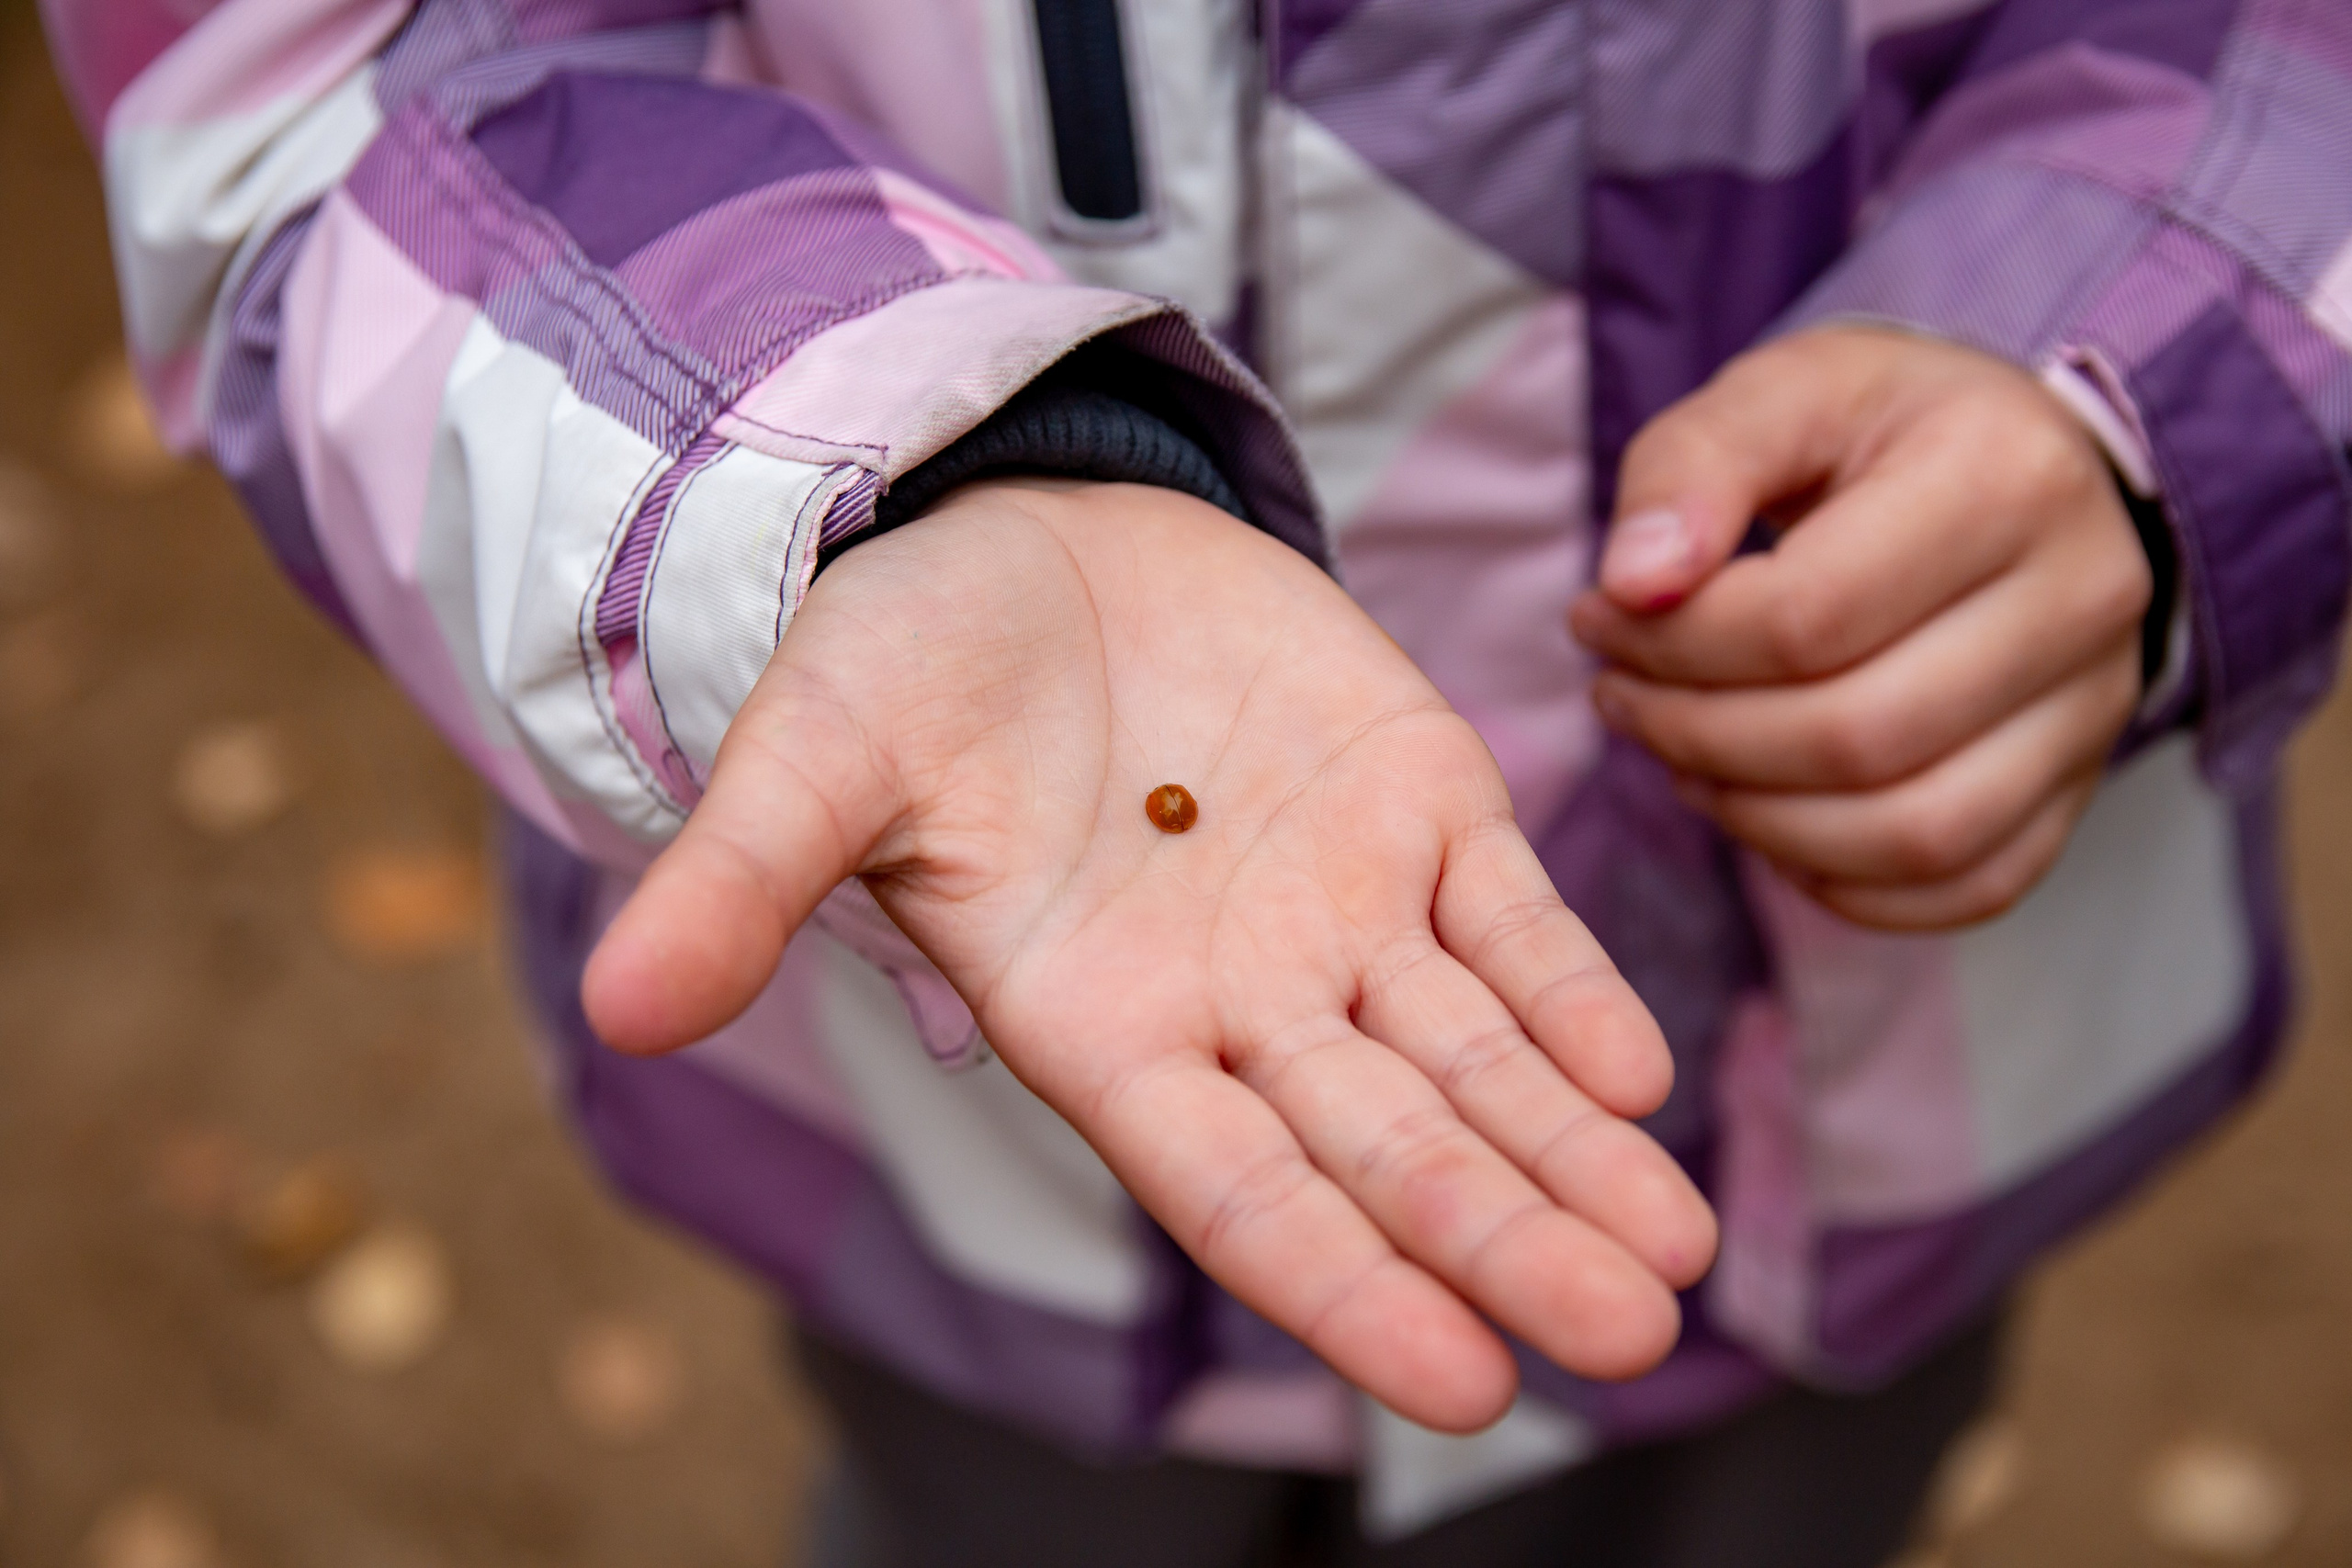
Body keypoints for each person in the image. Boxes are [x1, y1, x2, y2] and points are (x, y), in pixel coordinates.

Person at [45, 0, 2350, 1562]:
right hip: (971, 1179)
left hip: (1851, 1127)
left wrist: (2174, 354)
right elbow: (316, 86)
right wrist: (863, 469)